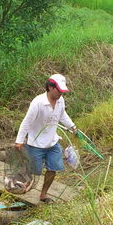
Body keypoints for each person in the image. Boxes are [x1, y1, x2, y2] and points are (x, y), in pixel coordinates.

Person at [15, 74, 76, 203]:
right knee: (34, 171)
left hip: (52, 142)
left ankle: (43, 195)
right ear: (50, 87)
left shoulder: (60, 101)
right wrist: (19, 141)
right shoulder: (38, 103)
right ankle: (24, 182)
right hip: (35, 143)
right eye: (58, 90)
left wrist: (72, 127)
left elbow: (62, 114)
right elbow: (26, 122)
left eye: (62, 91)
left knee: (53, 169)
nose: (60, 93)